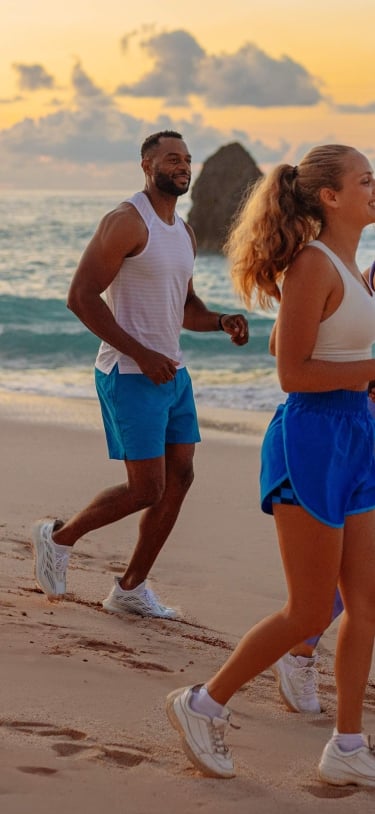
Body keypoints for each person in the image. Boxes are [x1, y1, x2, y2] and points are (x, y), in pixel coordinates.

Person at [166, 144, 375, 787]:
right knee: (309, 611)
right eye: (365, 180)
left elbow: (309, 345)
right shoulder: (314, 264)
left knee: (364, 603)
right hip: (311, 439)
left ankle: (347, 743)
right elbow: (291, 373)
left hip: (358, 436)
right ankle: (202, 703)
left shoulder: (351, 262)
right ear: (331, 197)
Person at [31, 130, 248, 619]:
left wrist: (219, 321)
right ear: (146, 165)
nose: (183, 166)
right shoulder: (127, 222)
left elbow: (185, 306)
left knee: (181, 476)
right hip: (129, 372)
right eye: (172, 158)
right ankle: (59, 537)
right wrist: (142, 354)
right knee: (145, 487)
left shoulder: (184, 232)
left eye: (188, 159)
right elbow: (80, 297)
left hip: (172, 372)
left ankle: (131, 588)